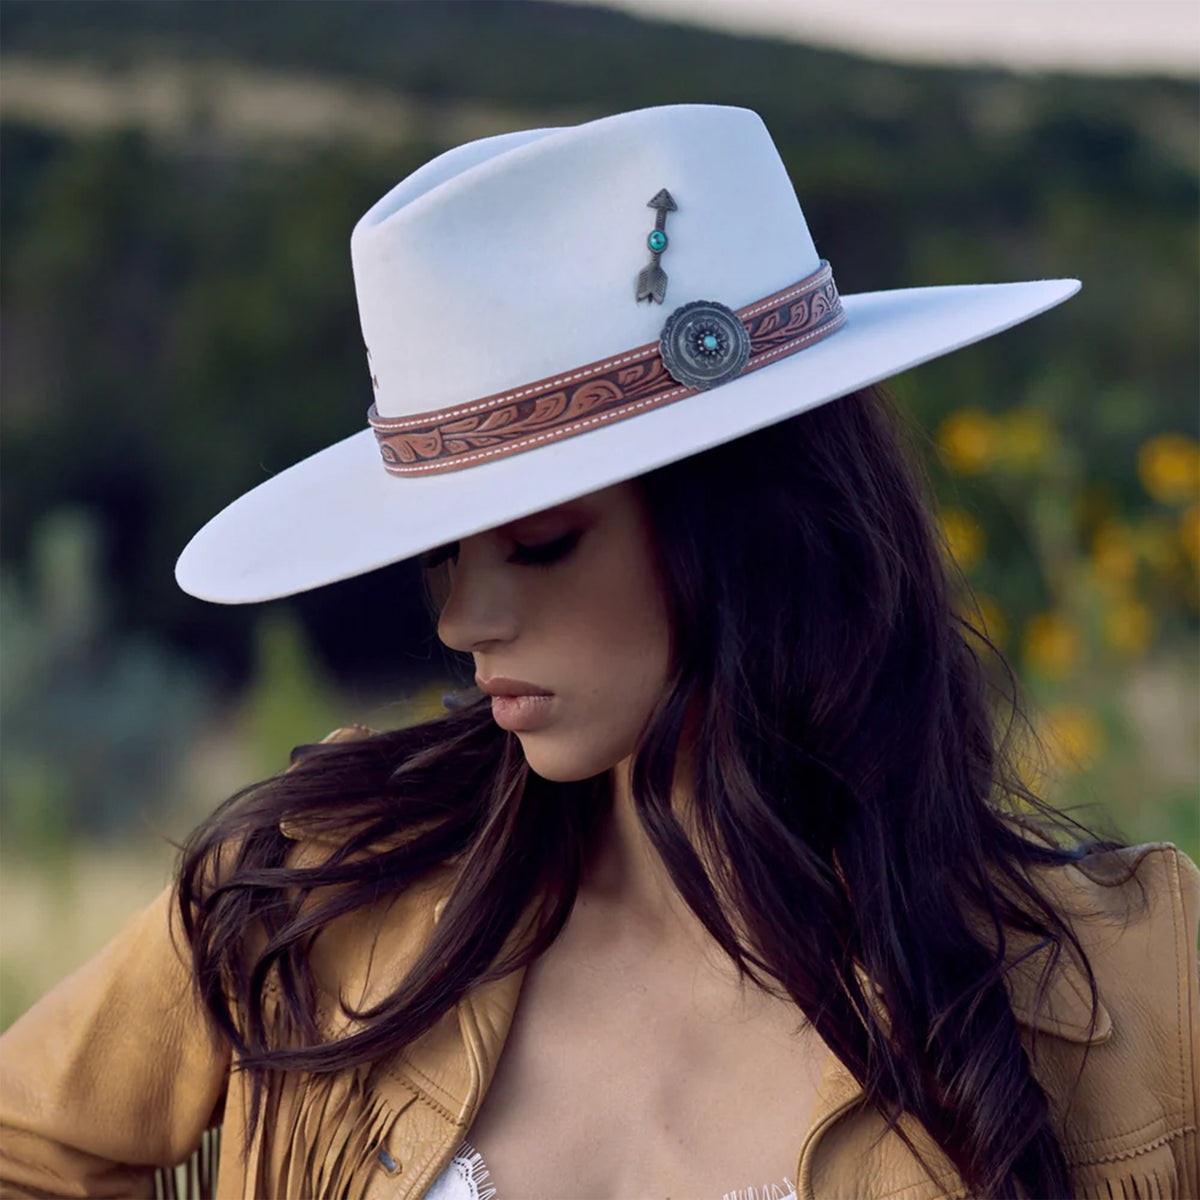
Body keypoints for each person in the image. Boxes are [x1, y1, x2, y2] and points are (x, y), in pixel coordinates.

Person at [0, 104, 1196, 1200]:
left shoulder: (1141, 974)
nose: (463, 622)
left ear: (753, 534)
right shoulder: (309, 893)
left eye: (542, 543)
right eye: (441, 555)